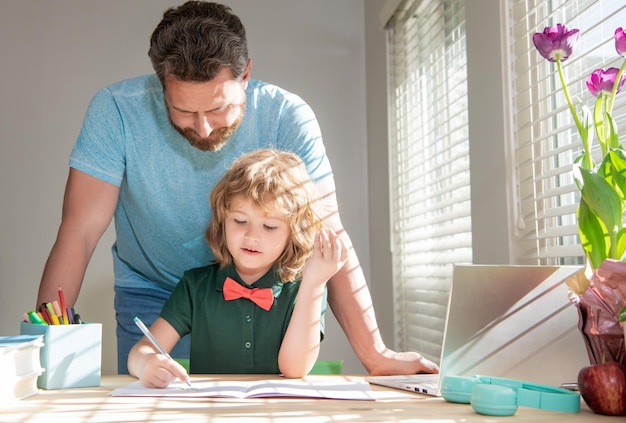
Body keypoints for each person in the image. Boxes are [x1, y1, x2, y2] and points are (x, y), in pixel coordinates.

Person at [36, 0, 439, 376]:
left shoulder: (287, 115)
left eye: (216, 108)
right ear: (161, 85)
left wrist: (375, 356)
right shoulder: (115, 111)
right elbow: (79, 232)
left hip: (264, 292)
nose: (203, 127)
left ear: (245, 74)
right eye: (183, 110)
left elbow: (328, 234)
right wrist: (42, 348)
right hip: (152, 293)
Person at [128, 149, 347, 387]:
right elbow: (141, 351)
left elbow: (294, 369)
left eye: (270, 226)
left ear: (293, 233)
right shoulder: (195, 286)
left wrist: (314, 284)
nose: (252, 236)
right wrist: (146, 363)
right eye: (240, 221)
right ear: (222, 221)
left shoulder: (307, 287)